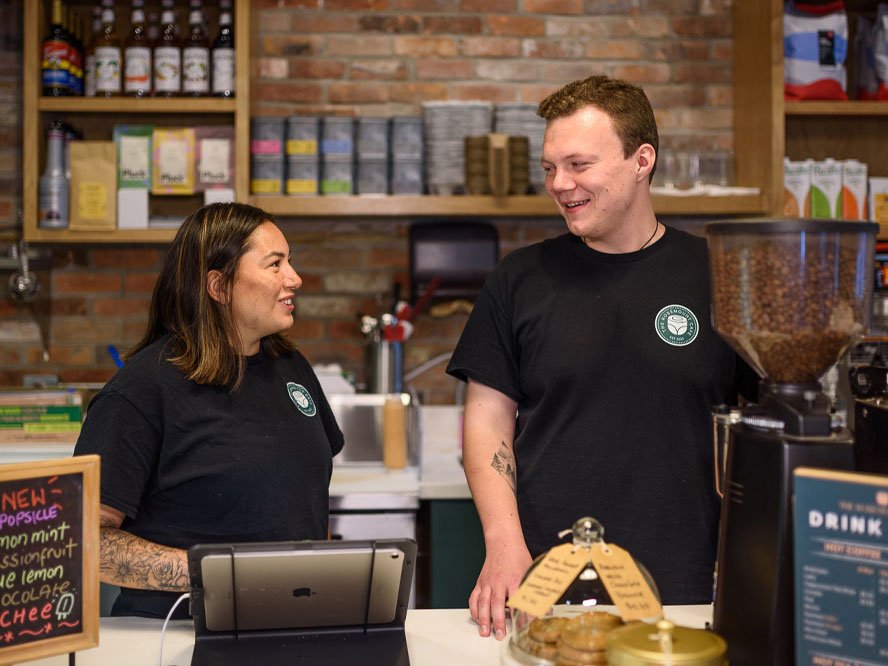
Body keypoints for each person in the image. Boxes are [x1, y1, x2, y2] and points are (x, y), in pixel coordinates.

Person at [445, 74, 757, 640]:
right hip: (545, 587)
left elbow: (767, 426)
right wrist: (504, 546)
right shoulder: (519, 278)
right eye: (549, 168)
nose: (560, 184)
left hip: (687, 589)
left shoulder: (721, 274)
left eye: (578, 164)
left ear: (642, 159)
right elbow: (488, 419)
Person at [74, 202, 344, 619]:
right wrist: (215, 574)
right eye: (275, 265)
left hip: (290, 625)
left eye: (290, 261)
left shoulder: (292, 368)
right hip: (179, 636)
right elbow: (84, 540)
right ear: (218, 287)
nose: (295, 278)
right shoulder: (141, 391)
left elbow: (305, 505)